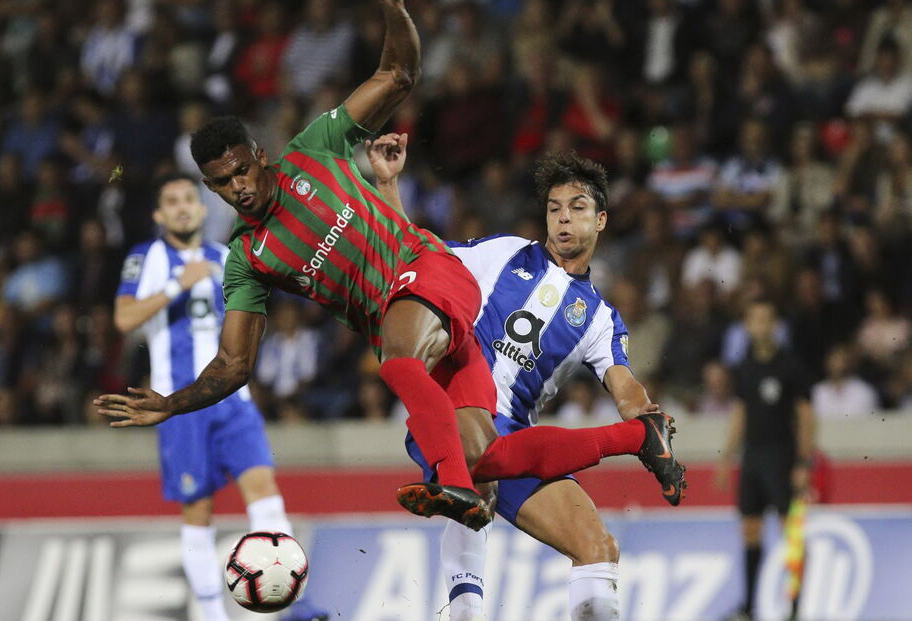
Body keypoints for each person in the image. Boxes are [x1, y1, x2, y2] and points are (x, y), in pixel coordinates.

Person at [96, 0, 684, 534]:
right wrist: (172, 403)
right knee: (488, 454)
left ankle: (452, 483)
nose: (238, 189)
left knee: (398, 362)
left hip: (429, 272)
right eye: (222, 184)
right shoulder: (247, 260)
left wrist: (393, 9)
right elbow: (233, 363)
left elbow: (397, 75)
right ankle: (636, 438)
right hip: (417, 326)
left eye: (241, 172)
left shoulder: (314, 148)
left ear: (260, 155)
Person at [369, 135, 687, 621]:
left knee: (597, 545)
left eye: (577, 208)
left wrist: (646, 416)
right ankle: (464, 613)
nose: (563, 217)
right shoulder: (504, 253)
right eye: (555, 208)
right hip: (455, 408)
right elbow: (414, 251)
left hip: (517, 438)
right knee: (480, 470)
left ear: (600, 220)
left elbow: (624, 385)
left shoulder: (599, 317)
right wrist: (389, 183)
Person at [113, 173, 328, 621]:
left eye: (189, 198)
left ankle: (295, 606)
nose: (182, 206)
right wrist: (178, 284)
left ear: (203, 207)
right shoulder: (146, 257)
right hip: (180, 404)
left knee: (264, 488)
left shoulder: (227, 255)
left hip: (232, 399)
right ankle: (212, 614)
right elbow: (124, 317)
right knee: (198, 507)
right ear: (159, 214)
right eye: (171, 201)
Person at [714, 299, 816, 621]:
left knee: (792, 533)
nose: (760, 325)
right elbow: (741, 413)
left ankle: (796, 608)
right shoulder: (745, 367)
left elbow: (805, 416)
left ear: (775, 325)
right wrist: (727, 457)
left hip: (783, 458)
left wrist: (803, 462)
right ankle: (749, 607)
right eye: (754, 319)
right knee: (751, 530)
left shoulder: (791, 366)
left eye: (766, 319)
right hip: (752, 459)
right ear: (747, 325)